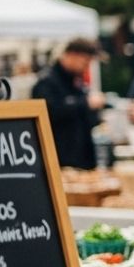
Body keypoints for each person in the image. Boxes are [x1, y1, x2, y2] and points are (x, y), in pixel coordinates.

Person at [32, 37, 105, 169]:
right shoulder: (47, 83)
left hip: (83, 161)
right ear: (72, 55)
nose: (86, 68)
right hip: (59, 162)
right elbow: (51, 112)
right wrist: (85, 103)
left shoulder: (76, 82)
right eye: (85, 62)